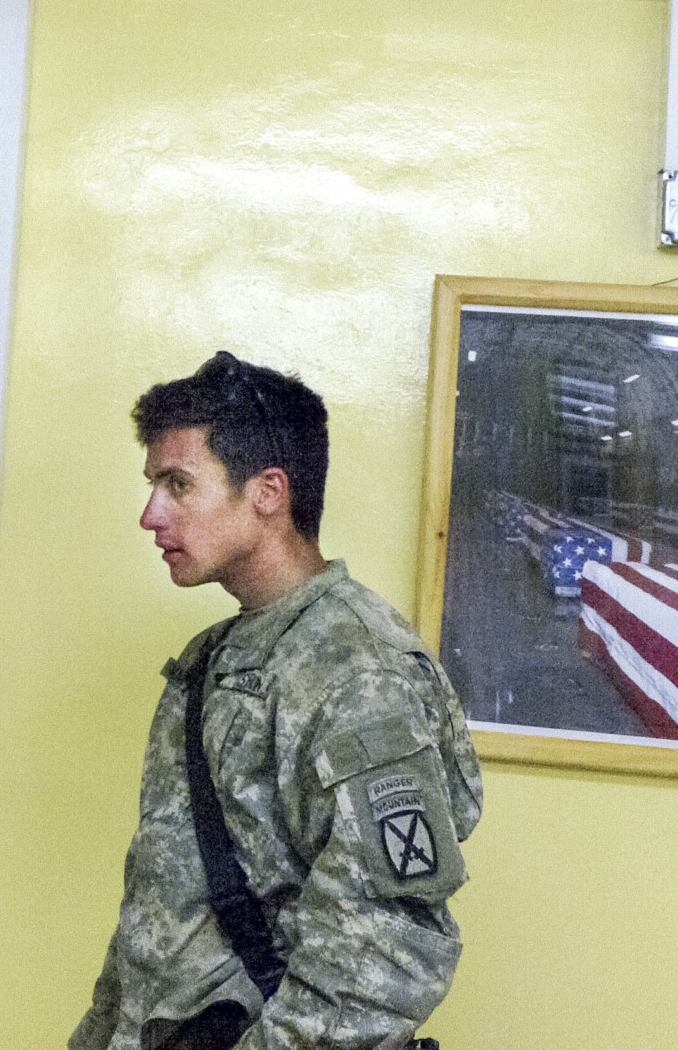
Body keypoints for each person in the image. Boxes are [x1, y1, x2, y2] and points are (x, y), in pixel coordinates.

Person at [72, 352, 483, 1050]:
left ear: (268, 492)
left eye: (178, 484)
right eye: (154, 486)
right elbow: (165, 907)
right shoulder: (216, 657)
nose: (150, 514)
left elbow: (384, 953)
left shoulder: (358, 670)